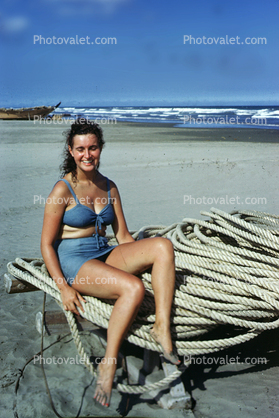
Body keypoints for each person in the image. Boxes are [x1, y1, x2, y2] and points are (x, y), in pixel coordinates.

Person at [41, 119, 179, 408]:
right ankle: (109, 363)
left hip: (104, 252)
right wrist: (63, 288)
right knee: (132, 289)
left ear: (100, 149)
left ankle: (161, 327)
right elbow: (46, 244)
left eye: (93, 148)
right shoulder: (62, 190)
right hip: (74, 261)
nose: (87, 155)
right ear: (71, 150)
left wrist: (147, 252)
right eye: (81, 149)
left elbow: (123, 236)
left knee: (163, 247)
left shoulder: (110, 187)